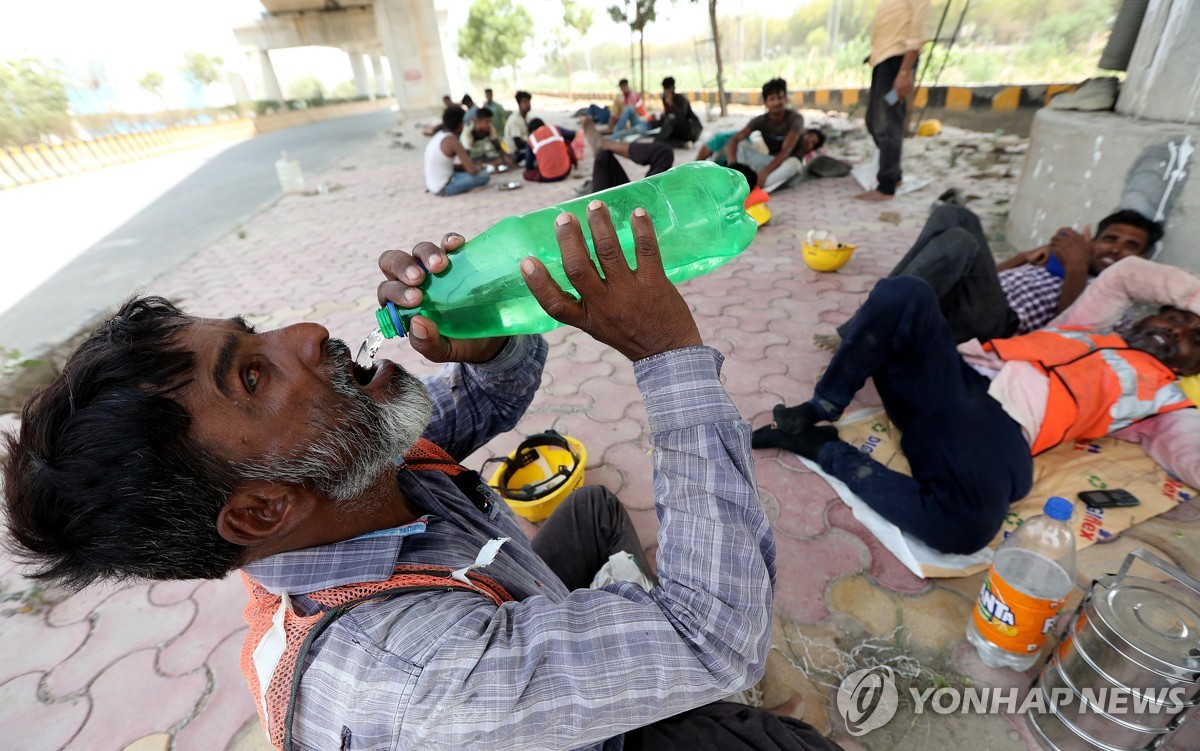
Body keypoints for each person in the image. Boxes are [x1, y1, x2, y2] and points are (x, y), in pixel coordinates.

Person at [3, 203, 843, 751]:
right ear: (261, 507)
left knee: (588, 511)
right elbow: (717, 639)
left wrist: (482, 332)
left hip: (495, 625)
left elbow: (490, 394)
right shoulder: (414, 679)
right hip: (520, 705)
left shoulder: (340, 469)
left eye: (254, 332)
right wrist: (668, 355)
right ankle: (651, 682)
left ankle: (632, 646)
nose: (305, 331)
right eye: (254, 376)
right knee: (760, 722)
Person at [754, 256, 1200, 555]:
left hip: (995, 431)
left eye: (1194, 341)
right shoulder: (1090, 327)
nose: (1177, 332)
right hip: (948, 377)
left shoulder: (1167, 402)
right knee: (905, 292)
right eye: (1175, 318)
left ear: (1192, 369)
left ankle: (819, 447)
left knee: (967, 526)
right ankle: (819, 407)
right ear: (1146, 315)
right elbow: (1125, 273)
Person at [816, 205, 1164, 348]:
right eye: (1110, 239)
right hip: (971, 311)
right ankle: (867, 323)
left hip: (1000, 328)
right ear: (1094, 240)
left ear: (1142, 260)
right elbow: (975, 276)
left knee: (961, 240)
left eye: (1130, 247)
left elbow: (1065, 334)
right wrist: (1021, 258)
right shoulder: (1054, 264)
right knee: (953, 214)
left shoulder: (1118, 302)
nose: (1116, 250)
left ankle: (861, 334)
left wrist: (1076, 266)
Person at [855, 0, 931, 201]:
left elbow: (917, 32)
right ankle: (893, 173)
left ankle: (886, 186)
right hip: (883, 62)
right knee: (874, 120)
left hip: (898, 65)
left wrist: (905, 72)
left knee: (888, 123)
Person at [725, 79, 824, 193]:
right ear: (766, 102)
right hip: (770, 161)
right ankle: (739, 180)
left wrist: (765, 173)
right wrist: (733, 166)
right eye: (772, 99)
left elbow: (787, 150)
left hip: (786, 163)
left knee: (794, 164)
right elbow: (734, 139)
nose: (777, 102)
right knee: (741, 145)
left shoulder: (795, 119)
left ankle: (753, 186)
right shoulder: (760, 121)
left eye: (780, 98)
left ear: (785, 99)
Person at [577, 118, 674, 195]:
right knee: (604, 156)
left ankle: (603, 144)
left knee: (602, 157)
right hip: (639, 201)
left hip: (633, 209)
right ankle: (603, 145)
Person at [424, 105, 489, 196]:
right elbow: (471, 171)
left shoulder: (439, 136)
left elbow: (449, 165)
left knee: (465, 174)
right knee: (484, 176)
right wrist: (479, 168)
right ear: (460, 124)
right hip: (444, 188)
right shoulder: (452, 141)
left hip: (433, 185)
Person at [523, 118, 578, 183]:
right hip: (566, 171)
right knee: (566, 140)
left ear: (531, 131)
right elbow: (573, 134)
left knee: (526, 174)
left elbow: (529, 166)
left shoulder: (531, 139)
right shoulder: (554, 128)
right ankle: (574, 162)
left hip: (547, 177)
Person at [656, 77, 703, 149]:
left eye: (666, 89)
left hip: (691, 129)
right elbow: (668, 115)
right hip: (678, 129)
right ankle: (683, 144)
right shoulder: (665, 99)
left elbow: (681, 117)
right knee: (664, 135)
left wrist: (672, 104)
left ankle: (658, 141)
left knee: (669, 123)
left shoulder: (681, 100)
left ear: (671, 89)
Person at [504, 90, 533, 160]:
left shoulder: (527, 118)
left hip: (523, 149)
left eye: (529, 101)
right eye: (525, 102)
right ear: (519, 104)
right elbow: (519, 144)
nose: (528, 104)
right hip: (515, 153)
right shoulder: (515, 120)